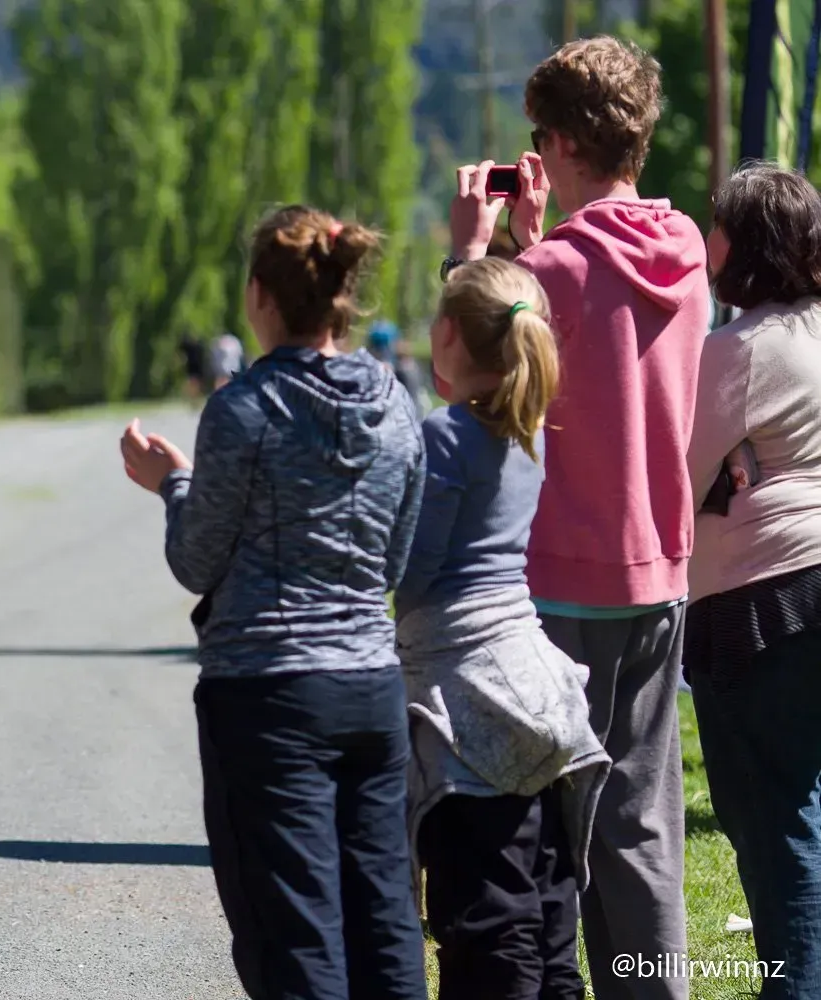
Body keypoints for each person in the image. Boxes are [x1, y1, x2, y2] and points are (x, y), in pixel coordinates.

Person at [448, 36, 708, 999]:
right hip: (659, 573)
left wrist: (473, 255)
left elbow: (468, 378)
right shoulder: (684, 254)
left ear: (555, 142)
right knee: (642, 816)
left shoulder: (545, 274)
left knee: (550, 831)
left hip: (560, 580)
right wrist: (532, 246)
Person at [120, 205, 427, 998]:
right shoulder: (397, 406)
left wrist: (172, 483)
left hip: (268, 696)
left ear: (259, 295)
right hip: (371, 690)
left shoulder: (244, 409)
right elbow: (393, 558)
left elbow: (197, 559)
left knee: (295, 938)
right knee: (386, 921)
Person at [396, 257, 610, 1000]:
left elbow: (415, 572)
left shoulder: (444, 435)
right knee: (548, 899)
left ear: (447, 336)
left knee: (488, 918)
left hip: (470, 702)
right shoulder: (528, 429)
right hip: (538, 684)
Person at [684, 164, 821, 999]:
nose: (706, 241)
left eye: (717, 224)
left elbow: (673, 475)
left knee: (774, 825)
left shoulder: (735, 350)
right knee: (805, 802)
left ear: (745, 245)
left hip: (763, 599)